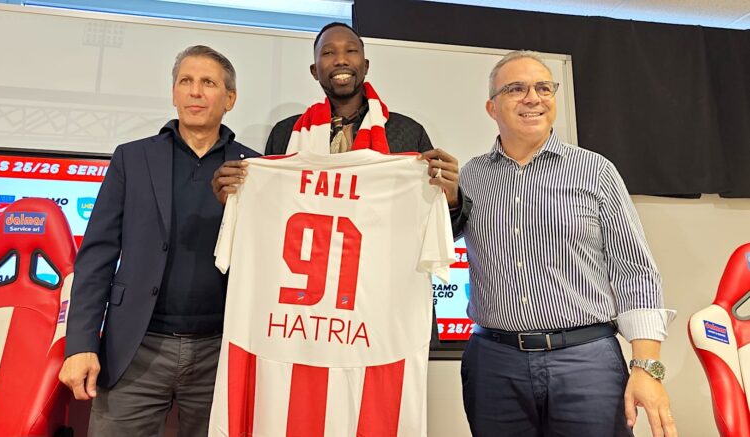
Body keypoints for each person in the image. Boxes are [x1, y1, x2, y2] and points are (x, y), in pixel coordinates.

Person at [454, 50, 678, 437]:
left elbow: (634, 272)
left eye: (544, 88)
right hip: (494, 364)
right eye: (516, 89)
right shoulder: (469, 177)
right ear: (492, 107)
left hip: (586, 360)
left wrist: (647, 368)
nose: (533, 98)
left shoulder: (596, 171)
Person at [210, 22, 461, 347]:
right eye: (328, 53)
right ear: (315, 71)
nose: (340, 59)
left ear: (365, 65)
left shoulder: (407, 133)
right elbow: (269, 222)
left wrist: (450, 200)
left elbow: (438, 228)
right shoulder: (286, 134)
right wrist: (236, 200)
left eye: (350, 51)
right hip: (305, 309)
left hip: (384, 303)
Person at [58, 45, 258, 436]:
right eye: (186, 81)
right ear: (173, 93)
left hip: (221, 351)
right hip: (135, 347)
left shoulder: (254, 168)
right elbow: (96, 256)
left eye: (208, 82)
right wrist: (80, 342)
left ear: (230, 99)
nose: (195, 91)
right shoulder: (132, 159)